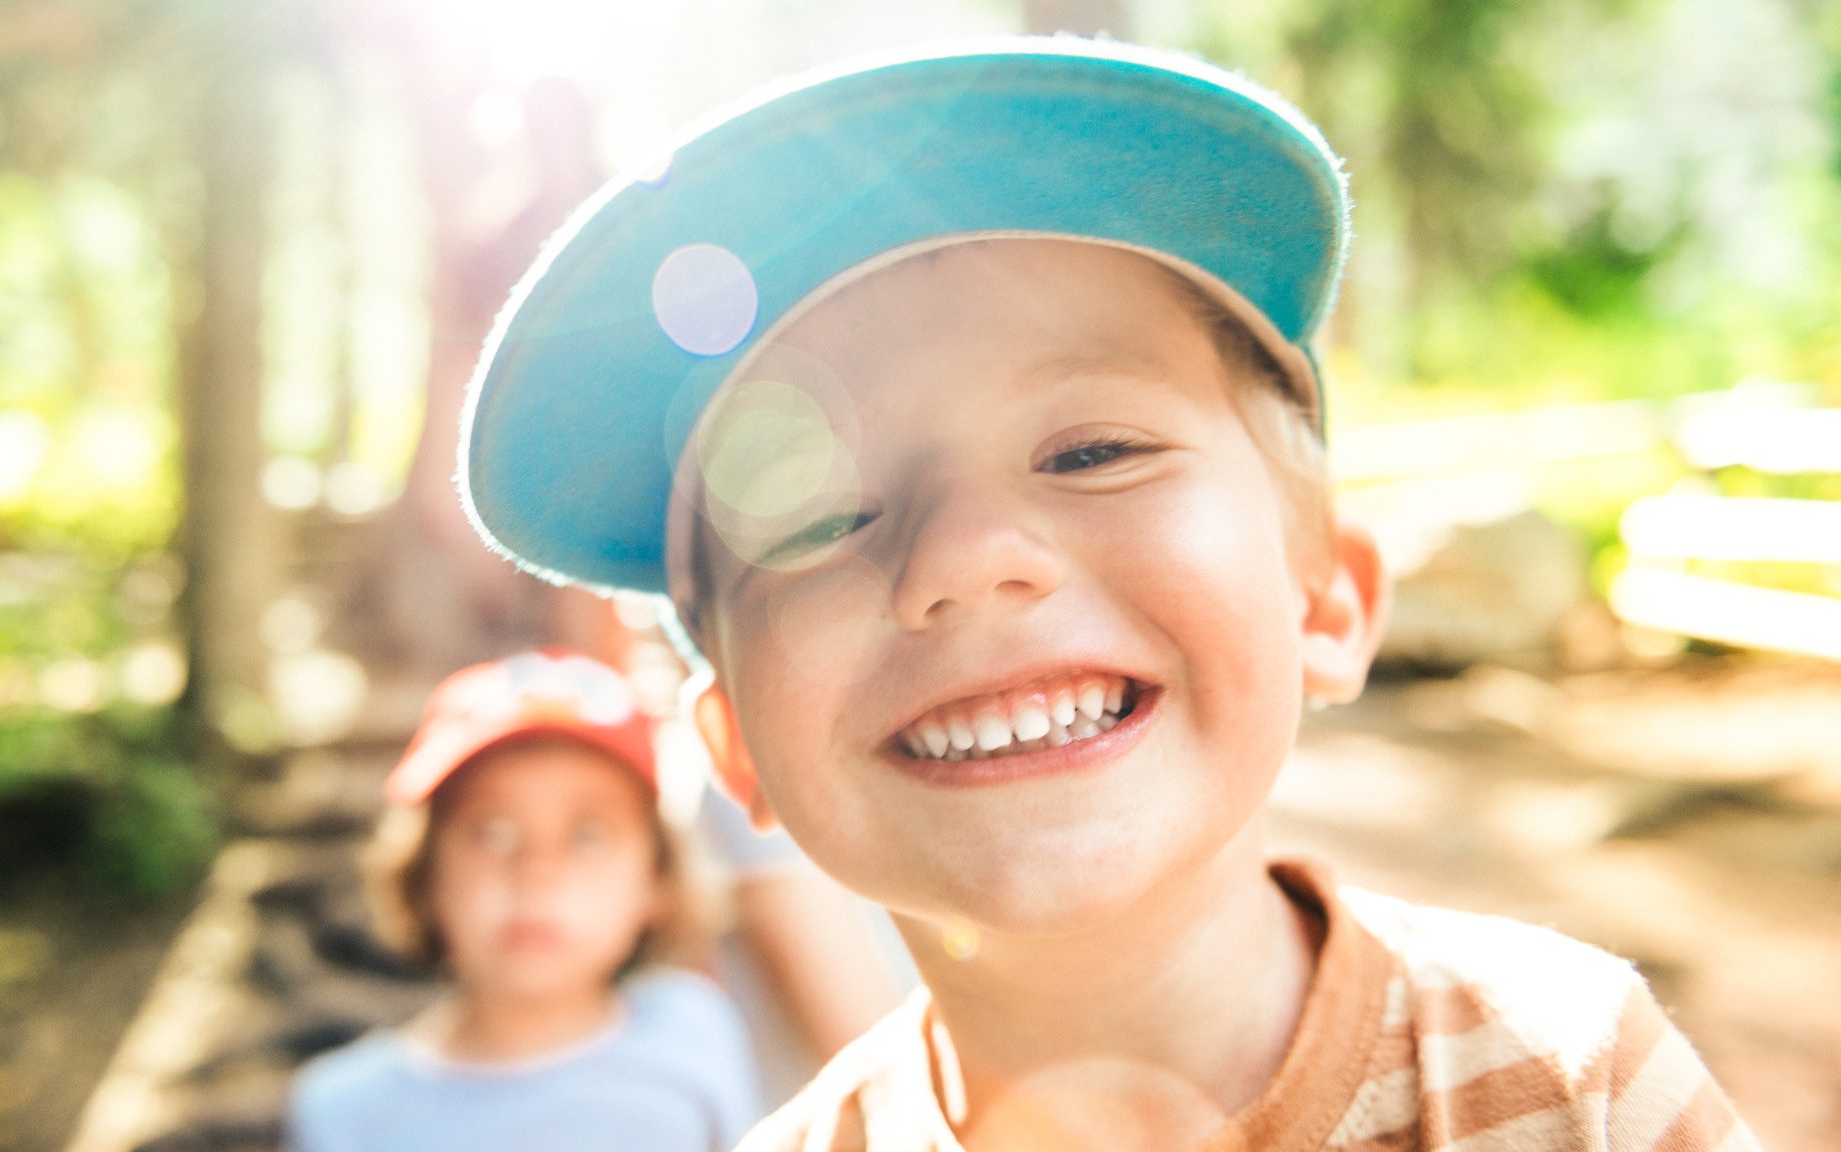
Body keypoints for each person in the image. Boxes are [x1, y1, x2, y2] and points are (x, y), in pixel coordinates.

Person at [453, 38, 1758, 1152]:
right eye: (822, 522)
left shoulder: (1569, 1080)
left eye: (1093, 451)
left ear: (1327, 600)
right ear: (736, 753)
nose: (964, 555)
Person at [286, 649, 761, 1152]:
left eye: (587, 835)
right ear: (424, 875)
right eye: (492, 832)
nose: (536, 872)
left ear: (657, 880)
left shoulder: (693, 1028)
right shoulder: (343, 1111)